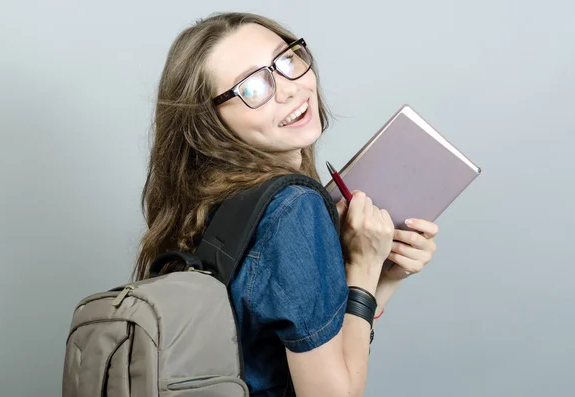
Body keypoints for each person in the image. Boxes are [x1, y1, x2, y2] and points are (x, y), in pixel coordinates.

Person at [134, 11, 439, 397]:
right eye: (253, 87)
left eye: (285, 61)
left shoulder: (205, 205)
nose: (289, 89)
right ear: (210, 122)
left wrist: (383, 276)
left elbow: (288, 349)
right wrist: (362, 266)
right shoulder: (294, 207)